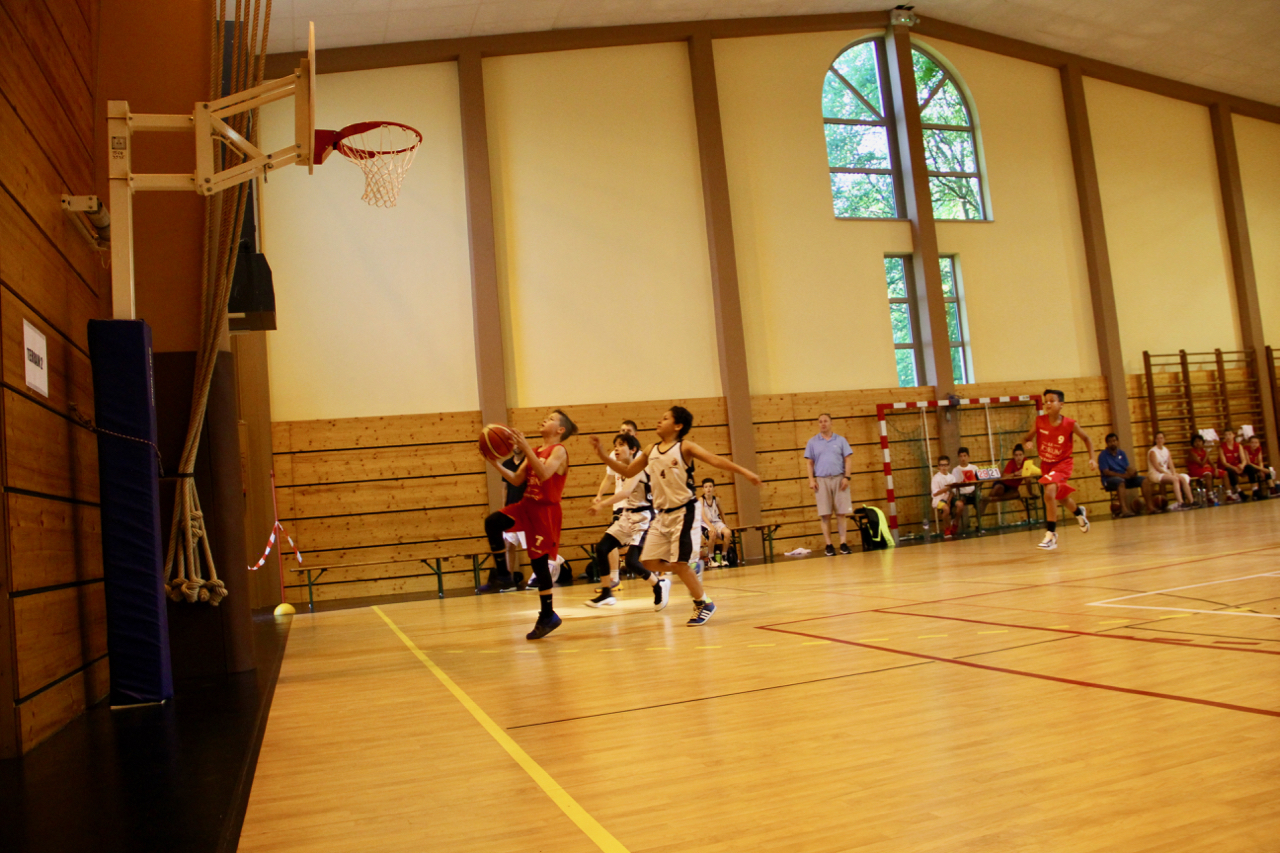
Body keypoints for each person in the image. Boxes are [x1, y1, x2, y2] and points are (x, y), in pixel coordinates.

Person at [591, 406, 762, 627]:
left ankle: (704, 603)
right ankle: (690, 569)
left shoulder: (684, 447)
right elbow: (627, 471)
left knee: (678, 562)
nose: (659, 421)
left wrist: (745, 472)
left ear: (678, 426)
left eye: (665, 418)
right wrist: (602, 455)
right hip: (661, 514)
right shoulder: (651, 450)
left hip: (684, 511)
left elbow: (714, 459)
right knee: (648, 561)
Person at [482, 410, 578, 640]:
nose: (545, 419)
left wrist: (525, 447)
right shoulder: (534, 451)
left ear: (560, 430)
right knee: (492, 522)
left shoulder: (559, 450)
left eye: (551, 418)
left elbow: (544, 474)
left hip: (545, 511)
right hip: (526, 505)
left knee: (539, 563)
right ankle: (503, 575)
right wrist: (495, 463)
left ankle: (547, 615)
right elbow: (516, 479)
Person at [1019, 388, 1096, 551]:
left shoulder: (1070, 424)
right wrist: (1027, 443)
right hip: (1046, 464)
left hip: (1062, 464)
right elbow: (1026, 438)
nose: (1048, 404)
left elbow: (1087, 438)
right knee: (1061, 498)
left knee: (1049, 494)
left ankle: (1051, 535)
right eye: (1046, 401)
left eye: (1052, 401)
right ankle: (1079, 513)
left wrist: (1092, 458)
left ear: (1061, 404)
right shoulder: (1039, 421)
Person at [584, 433, 654, 607]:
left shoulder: (638, 467)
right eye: (615, 445)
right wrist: (601, 453)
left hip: (644, 518)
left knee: (631, 562)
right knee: (602, 548)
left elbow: (625, 492)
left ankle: (658, 584)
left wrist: (602, 504)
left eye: (621, 445)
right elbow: (610, 476)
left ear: (633, 450)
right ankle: (606, 593)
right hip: (627, 515)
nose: (616, 448)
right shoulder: (622, 469)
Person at [804, 413, 853, 556]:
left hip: (839, 479)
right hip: (822, 480)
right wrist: (811, 480)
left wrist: (847, 477)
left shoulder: (841, 440)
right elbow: (809, 462)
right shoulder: (812, 442)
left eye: (825, 421)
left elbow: (848, 459)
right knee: (825, 514)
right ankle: (829, 545)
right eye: (820, 421)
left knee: (841, 513)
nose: (823, 424)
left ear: (831, 423)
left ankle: (843, 543)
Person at [1098, 433, 1155, 516]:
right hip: (1109, 480)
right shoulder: (1103, 455)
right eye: (1110, 441)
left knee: (1144, 480)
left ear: (1117, 442)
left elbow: (1127, 467)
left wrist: (1132, 472)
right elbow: (1106, 472)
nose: (1112, 443)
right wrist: (1124, 476)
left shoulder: (1121, 453)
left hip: (1124, 478)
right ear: (1107, 443)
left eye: (1114, 441)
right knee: (1120, 482)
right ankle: (1124, 510)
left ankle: (1150, 507)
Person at [977, 443, 1030, 524]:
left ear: (1024, 455)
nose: (1018, 457)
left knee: (1016, 494)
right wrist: (1015, 474)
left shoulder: (1027, 463)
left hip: (1013, 487)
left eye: (1020, 455)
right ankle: (986, 502)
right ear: (1013, 456)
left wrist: (1030, 493)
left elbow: (1028, 479)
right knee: (998, 489)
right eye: (1016, 455)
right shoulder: (1011, 463)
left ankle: (988, 499)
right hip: (1003, 484)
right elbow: (1004, 476)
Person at [1147, 431, 1194, 509]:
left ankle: (1192, 501)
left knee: (1182, 478)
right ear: (1155, 440)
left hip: (1165, 472)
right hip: (1155, 473)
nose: (1159, 440)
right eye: (1158, 438)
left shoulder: (1166, 450)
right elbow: (1157, 467)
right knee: (1175, 479)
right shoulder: (1152, 452)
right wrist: (1169, 474)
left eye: (1161, 438)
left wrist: (1173, 472)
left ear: (1164, 439)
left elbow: (1171, 464)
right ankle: (1180, 502)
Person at [699, 478, 732, 567]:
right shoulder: (701, 500)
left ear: (714, 488)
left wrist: (726, 524)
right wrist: (711, 526)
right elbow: (703, 516)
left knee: (728, 533)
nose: (708, 489)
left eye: (710, 486)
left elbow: (722, 512)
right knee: (712, 533)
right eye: (706, 487)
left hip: (716, 522)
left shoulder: (716, 500)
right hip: (705, 523)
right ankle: (711, 558)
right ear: (703, 489)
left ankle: (724, 556)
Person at [1185, 434, 1225, 503]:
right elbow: (1201, 464)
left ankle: (1229, 494)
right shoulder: (1192, 453)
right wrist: (1206, 455)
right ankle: (1210, 496)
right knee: (1208, 475)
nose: (1198, 443)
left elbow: (1211, 463)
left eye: (1199, 441)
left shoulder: (1204, 451)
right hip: (1195, 470)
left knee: (1225, 473)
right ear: (1193, 443)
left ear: (1202, 442)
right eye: (1196, 441)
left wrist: (1215, 469)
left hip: (1205, 470)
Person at [950, 446, 979, 534]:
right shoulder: (955, 470)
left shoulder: (974, 468)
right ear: (958, 458)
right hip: (962, 494)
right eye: (961, 456)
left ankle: (978, 523)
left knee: (982, 500)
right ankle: (956, 522)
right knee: (960, 504)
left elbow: (980, 481)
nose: (963, 458)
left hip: (973, 493)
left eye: (964, 456)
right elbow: (953, 486)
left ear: (968, 457)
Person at [930, 455, 957, 536]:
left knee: (960, 505)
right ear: (938, 466)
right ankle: (947, 528)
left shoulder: (952, 477)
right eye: (942, 465)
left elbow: (953, 491)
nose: (944, 467)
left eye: (945, 465)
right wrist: (946, 489)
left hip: (948, 498)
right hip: (938, 499)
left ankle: (955, 524)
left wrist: (949, 500)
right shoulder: (936, 478)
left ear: (949, 466)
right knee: (946, 509)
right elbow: (935, 493)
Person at [1218, 428, 1246, 502]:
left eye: (1229, 434)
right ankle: (1238, 490)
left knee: (1250, 468)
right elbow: (1224, 462)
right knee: (1230, 471)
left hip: (1236, 466)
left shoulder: (1238, 446)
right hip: (1226, 467)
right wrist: (1235, 468)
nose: (1228, 436)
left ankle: (1255, 490)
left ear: (1234, 435)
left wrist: (1242, 465)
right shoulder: (1222, 447)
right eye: (1226, 435)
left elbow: (1244, 459)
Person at [1242, 434, 1274, 500]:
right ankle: (1255, 490)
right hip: (1246, 467)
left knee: (1266, 467)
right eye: (1252, 442)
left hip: (1255, 466)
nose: (1254, 444)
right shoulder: (1246, 449)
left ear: (1259, 443)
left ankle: (1272, 488)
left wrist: (1262, 470)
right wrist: (1261, 469)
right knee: (1250, 468)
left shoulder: (1259, 449)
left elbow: (1260, 461)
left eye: (1256, 443)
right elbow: (1248, 463)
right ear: (1249, 443)